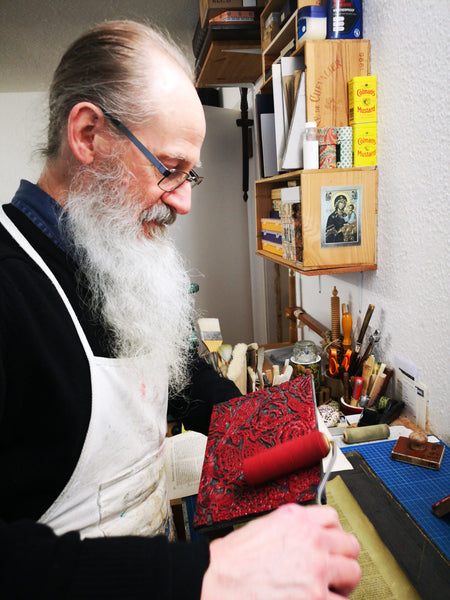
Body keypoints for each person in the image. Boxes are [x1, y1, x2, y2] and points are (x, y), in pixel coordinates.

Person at [0, 20, 361, 599]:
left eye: (190, 174)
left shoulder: (115, 258)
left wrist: (277, 435)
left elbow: (184, 381)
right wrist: (211, 574)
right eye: (168, 168)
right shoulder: (12, 286)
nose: (185, 201)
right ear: (89, 134)